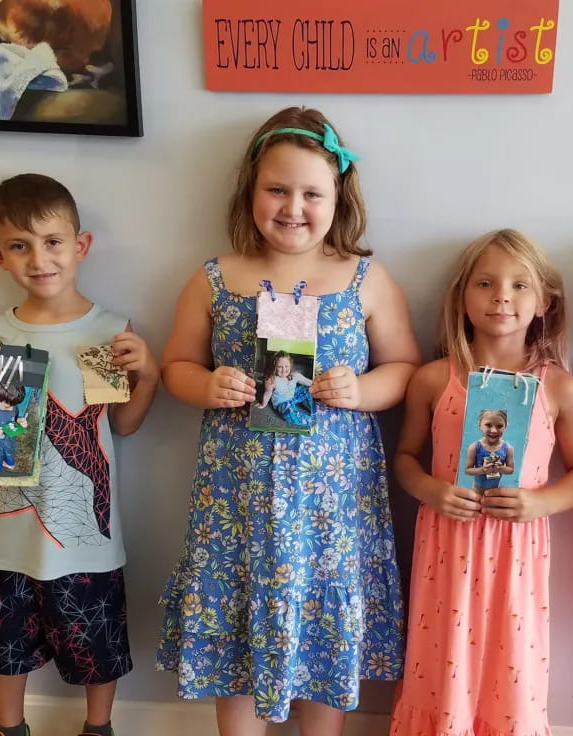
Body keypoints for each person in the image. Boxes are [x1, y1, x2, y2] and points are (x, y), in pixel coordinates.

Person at [156, 106, 420, 734]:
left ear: (339, 197)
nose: (292, 206)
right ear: (251, 190)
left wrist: (361, 388)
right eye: (277, 189)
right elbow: (176, 365)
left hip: (331, 507)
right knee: (239, 621)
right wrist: (207, 383)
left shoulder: (365, 280)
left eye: (311, 192)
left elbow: (407, 366)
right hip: (235, 505)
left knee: (321, 622)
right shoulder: (215, 280)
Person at [0, 173, 159, 736]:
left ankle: (99, 728)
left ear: (81, 246)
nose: (39, 259)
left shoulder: (104, 333)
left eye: (52, 242)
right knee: (6, 644)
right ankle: (8, 727)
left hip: (87, 540)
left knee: (96, 642)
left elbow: (121, 426)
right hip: (8, 535)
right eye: (20, 245)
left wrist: (148, 377)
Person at [389, 229, 573, 736]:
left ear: (545, 301)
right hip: (446, 544)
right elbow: (405, 459)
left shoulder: (561, 387)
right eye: (485, 283)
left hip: (516, 552)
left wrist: (539, 503)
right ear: (462, 297)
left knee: (511, 666)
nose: (502, 294)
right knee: (441, 663)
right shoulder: (435, 379)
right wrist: (431, 490)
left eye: (520, 285)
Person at [255, 350, 314, 426]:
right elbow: (267, 393)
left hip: (292, 397)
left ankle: (312, 409)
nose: (284, 370)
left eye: (286, 366)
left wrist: (317, 385)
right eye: (280, 367)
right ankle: (311, 420)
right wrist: (263, 404)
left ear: (290, 365)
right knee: (289, 414)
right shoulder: (271, 381)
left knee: (309, 389)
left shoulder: (295, 375)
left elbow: (308, 382)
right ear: (274, 367)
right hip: (282, 403)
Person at [464, 408, 514, 491]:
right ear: (480, 425)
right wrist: (482, 470)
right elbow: (468, 470)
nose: (494, 431)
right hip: (477, 489)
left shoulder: (508, 448)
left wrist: (501, 468)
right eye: (488, 425)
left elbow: (511, 470)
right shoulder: (474, 447)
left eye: (499, 426)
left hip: (495, 490)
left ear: (505, 426)